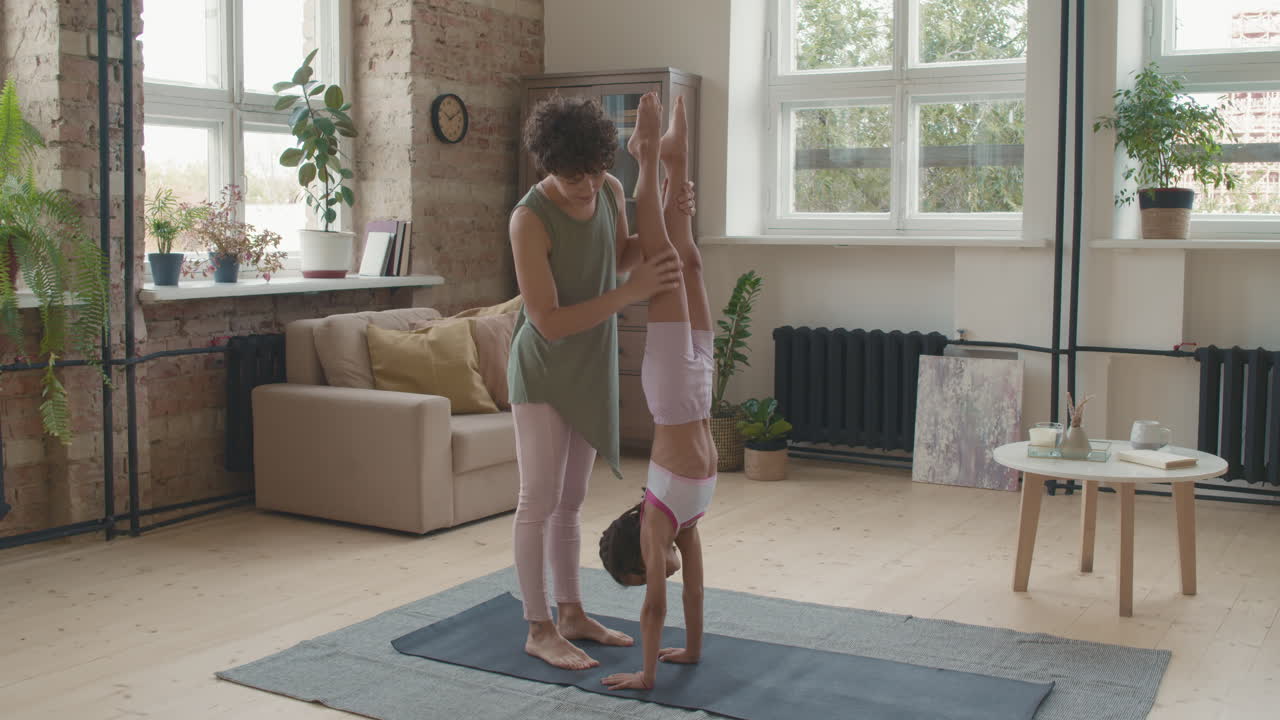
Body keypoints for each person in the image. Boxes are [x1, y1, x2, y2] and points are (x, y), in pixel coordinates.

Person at [508, 94, 696, 671]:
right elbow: (548, 321)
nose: (588, 186)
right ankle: (538, 627)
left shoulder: (611, 190)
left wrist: (666, 207)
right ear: (547, 166)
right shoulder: (529, 219)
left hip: (592, 361)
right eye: (573, 177)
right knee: (537, 500)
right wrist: (630, 294)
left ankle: (571, 613)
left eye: (594, 171)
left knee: (572, 501)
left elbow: (618, 256)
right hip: (544, 367)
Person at [598, 92, 716, 692]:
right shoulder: (686, 525)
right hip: (697, 387)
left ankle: (644, 156)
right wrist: (689, 652)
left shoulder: (656, 522)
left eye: (644, 573)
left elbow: (655, 609)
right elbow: (693, 590)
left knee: (665, 259)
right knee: (690, 262)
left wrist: (645, 673)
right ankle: (675, 160)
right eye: (652, 574)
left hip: (671, 392)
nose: (657, 576)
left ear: (634, 553)